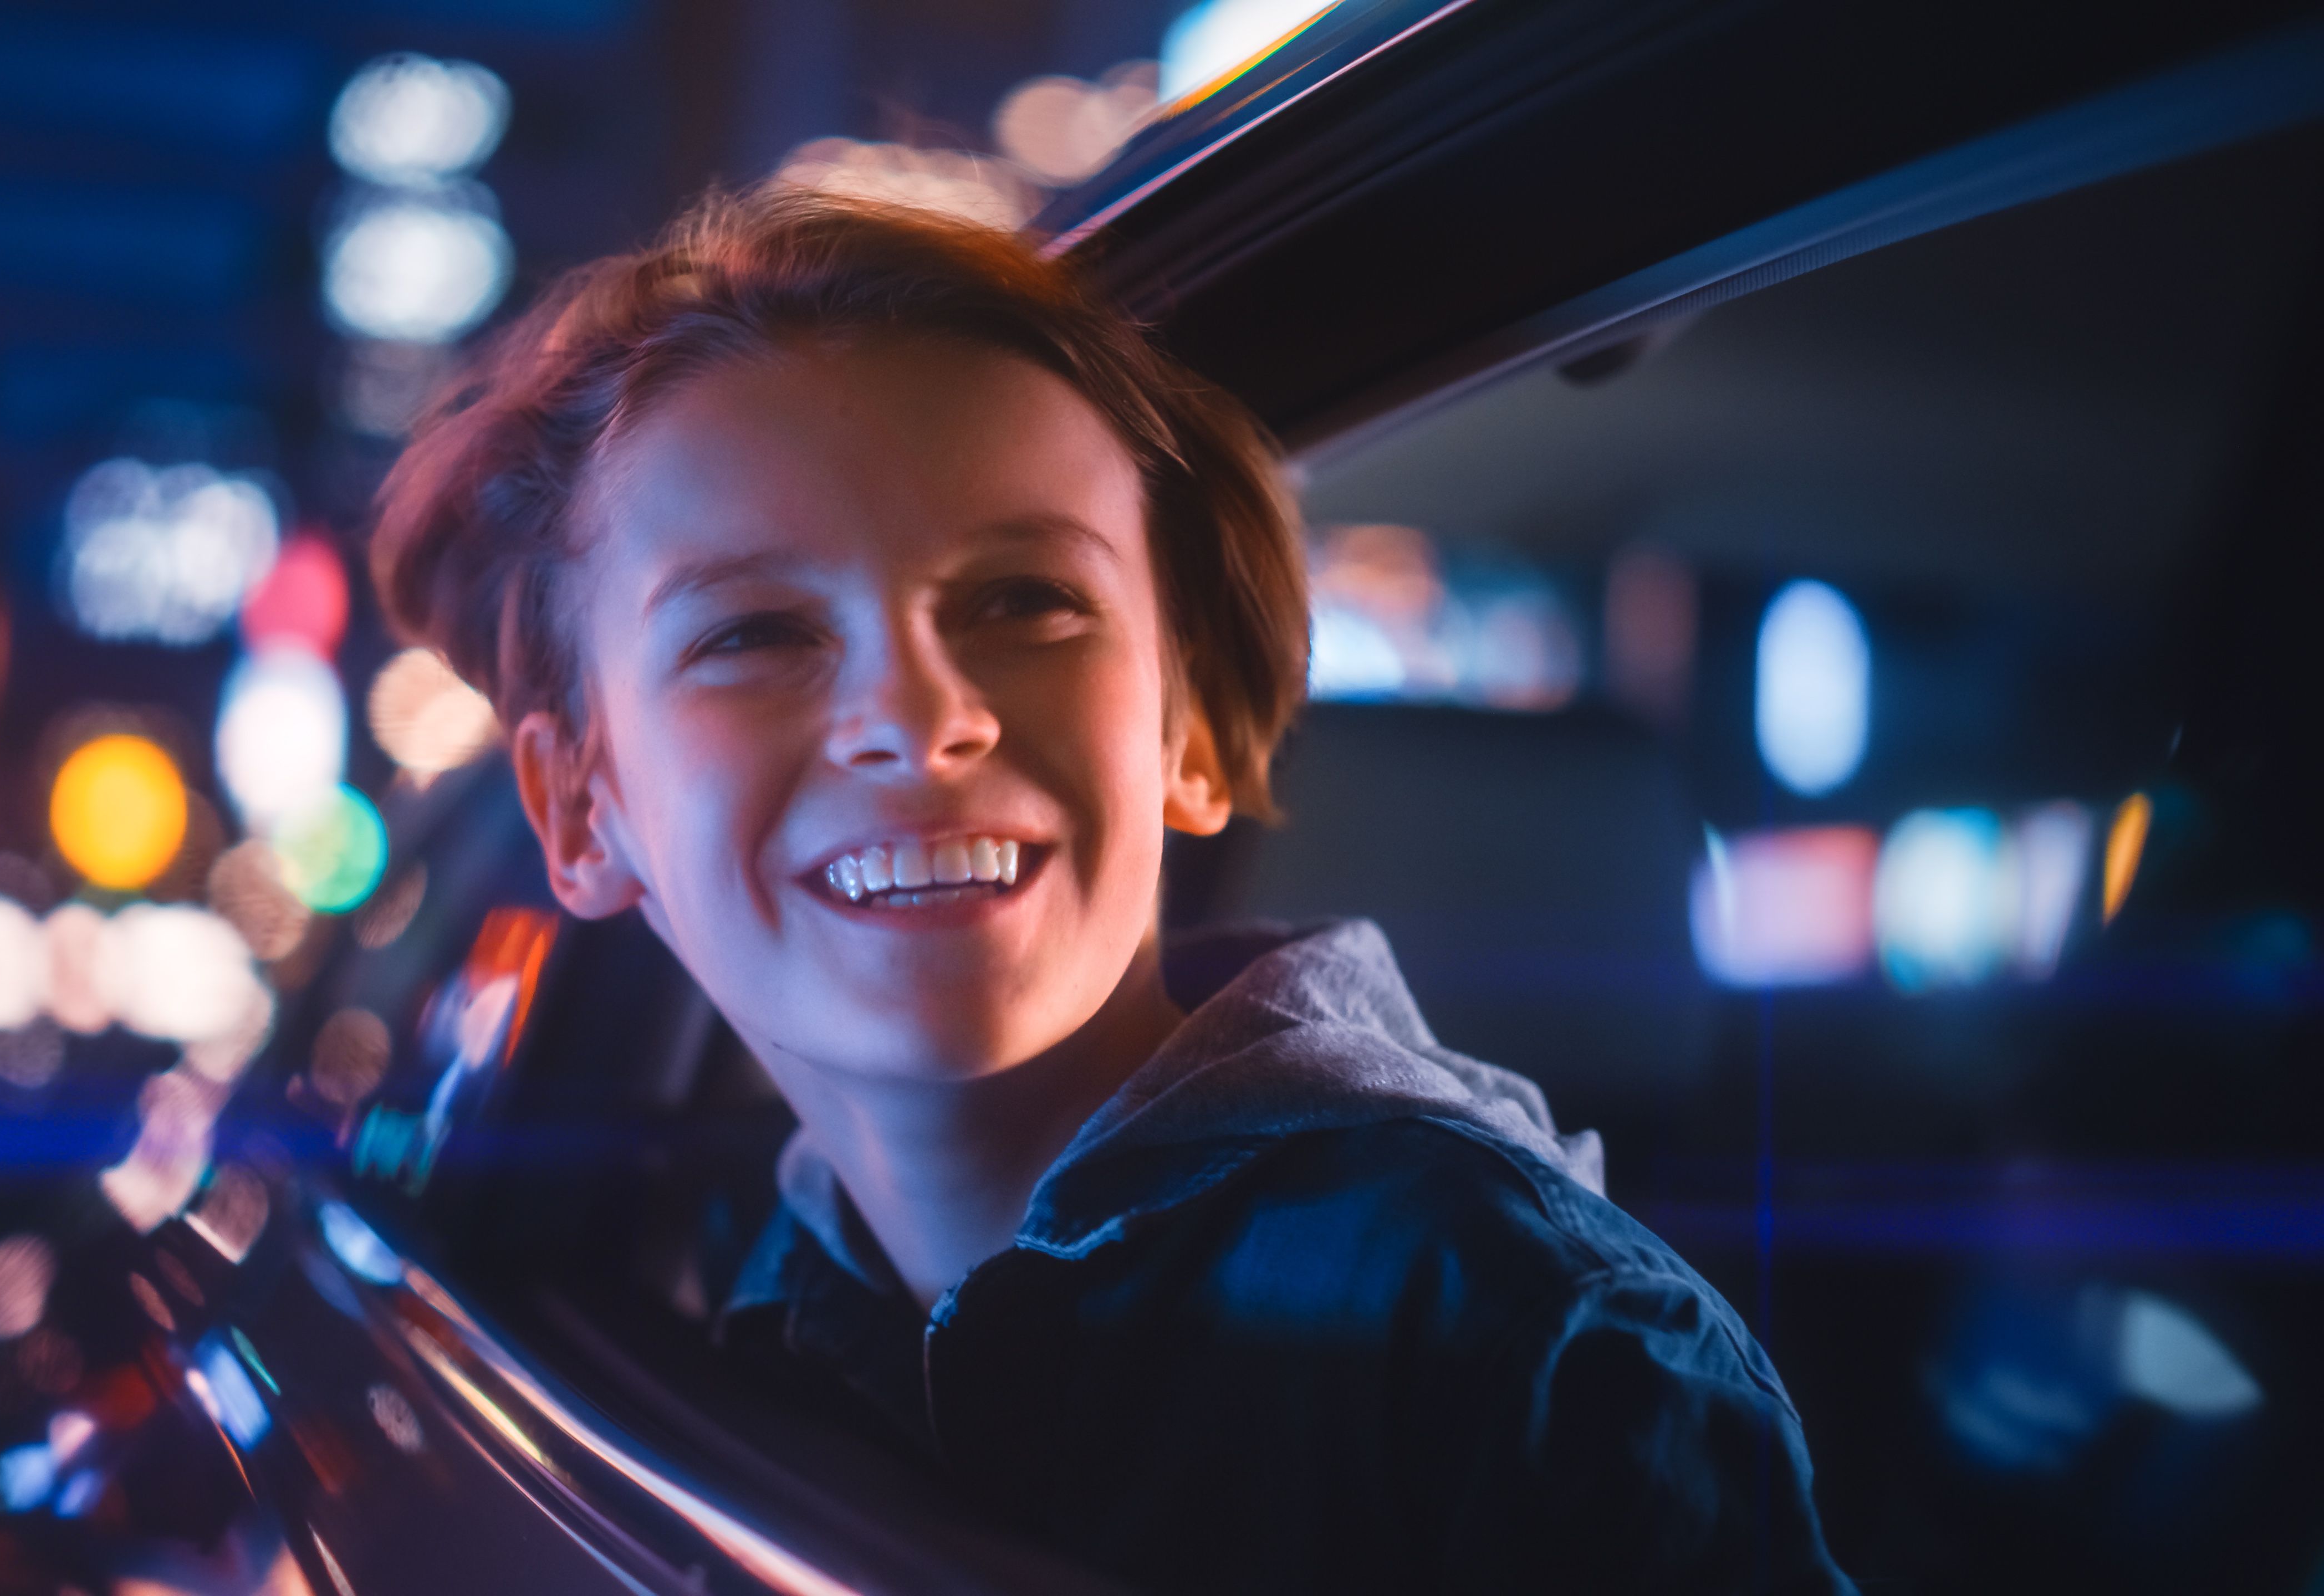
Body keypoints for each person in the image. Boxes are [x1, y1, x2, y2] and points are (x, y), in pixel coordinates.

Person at [371, 188, 1854, 1594]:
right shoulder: (747, 1291)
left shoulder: (1526, 1338)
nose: (920, 712)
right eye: (755, 633)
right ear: (584, 809)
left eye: (1026, 600)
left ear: (1191, 737)